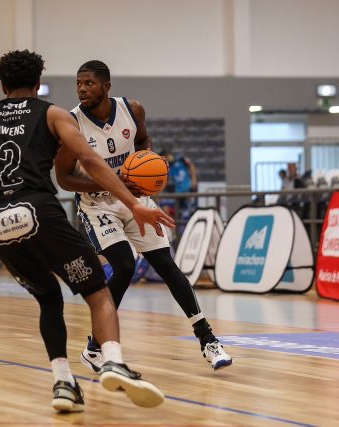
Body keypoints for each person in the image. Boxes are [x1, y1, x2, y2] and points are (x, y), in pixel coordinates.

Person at [0, 50, 175, 412]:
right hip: (40, 212)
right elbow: (90, 161)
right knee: (98, 293)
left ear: (1, 83)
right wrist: (133, 201)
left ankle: (63, 383)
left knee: (48, 297)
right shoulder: (53, 114)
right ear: (37, 82)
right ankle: (112, 360)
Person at [54, 60, 232, 372]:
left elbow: (143, 143)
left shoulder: (133, 110)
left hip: (136, 199)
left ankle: (208, 340)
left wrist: (145, 166)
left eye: (89, 83)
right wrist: (109, 181)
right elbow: (64, 179)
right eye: (79, 83)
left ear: (107, 86)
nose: (82, 88)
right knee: (123, 263)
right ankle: (98, 346)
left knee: (167, 266)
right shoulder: (72, 123)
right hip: (97, 206)